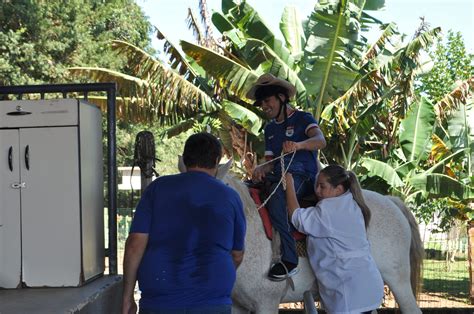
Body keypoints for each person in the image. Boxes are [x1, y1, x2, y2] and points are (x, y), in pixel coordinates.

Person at [122, 132, 246, 314]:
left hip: (160, 301)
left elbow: (134, 245)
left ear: (185, 159)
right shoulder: (230, 197)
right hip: (212, 302)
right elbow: (237, 255)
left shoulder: (157, 189)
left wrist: (127, 298)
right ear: (217, 161)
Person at [246, 73, 326, 280]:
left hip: (304, 177)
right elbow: (271, 161)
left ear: (281, 97)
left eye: (267, 100)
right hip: (279, 176)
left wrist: (298, 145)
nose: (264, 106)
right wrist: (261, 169)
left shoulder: (303, 118)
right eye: (261, 102)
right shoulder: (270, 128)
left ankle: (290, 259)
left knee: (277, 200)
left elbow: (320, 141)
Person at [285, 164, 384, 314]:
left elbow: (296, 217)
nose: (317, 190)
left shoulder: (330, 210)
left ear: (338, 189)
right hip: (365, 288)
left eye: (322, 186)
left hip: (350, 294)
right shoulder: (350, 203)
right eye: (316, 185)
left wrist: (289, 184)